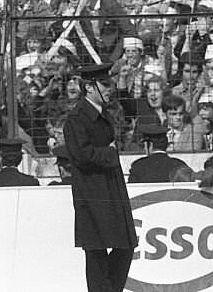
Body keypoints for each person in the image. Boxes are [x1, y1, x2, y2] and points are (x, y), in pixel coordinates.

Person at [63, 63, 137, 292]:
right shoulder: (76, 119)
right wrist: (110, 152)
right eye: (104, 84)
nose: (110, 88)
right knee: (95, 252)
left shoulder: (102, 113)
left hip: (110, 188)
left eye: (110, 83)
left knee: (126, 245)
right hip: (92, 192)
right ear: (89, 88)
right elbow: (81, 155)